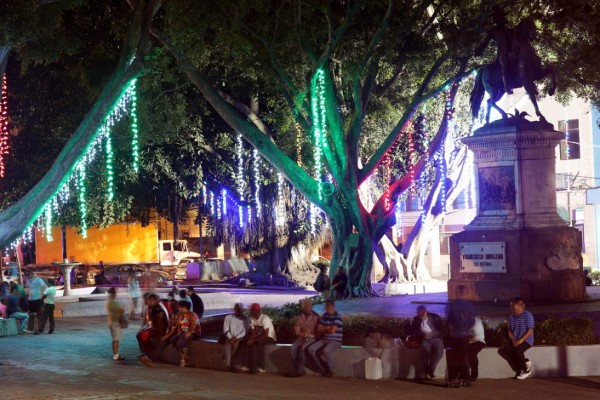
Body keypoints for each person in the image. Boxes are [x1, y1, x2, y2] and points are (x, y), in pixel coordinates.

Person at [475, 6, 514, 94]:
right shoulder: (493, 31)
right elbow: (485, 42)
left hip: (512, 52)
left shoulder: (509, 30)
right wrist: (479, 49)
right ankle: (506, 85)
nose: (501, 19)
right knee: (505, 64)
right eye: (498, 18)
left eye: (501, 17)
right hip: (502, 53)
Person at [234, 303, 276, 374]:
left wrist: (254, 340)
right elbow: (253, 333)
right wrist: (251, 339)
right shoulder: (252, 319)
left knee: (259, 342)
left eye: (252, 310)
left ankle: (262, 367)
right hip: (259, 337)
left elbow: (266, 334)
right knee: (244, 342)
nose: (251, 312)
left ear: (257, 311)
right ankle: (244, 365)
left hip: (269, 337)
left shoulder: (264, 318)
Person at [498, 297, 534, 379]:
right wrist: (513, 339)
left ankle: (526, 370)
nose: (514, 309)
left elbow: (530, 331)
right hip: (515, 339)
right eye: (513, 307)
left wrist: (520, 341)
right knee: (502, 351)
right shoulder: (511, 317)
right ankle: (522, 366)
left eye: (516, 307)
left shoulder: (527, 315)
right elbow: (510, 331)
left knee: (517, 350)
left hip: (527, 340)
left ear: (522, 307)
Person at [308, 300, 343, 377]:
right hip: (325, 339)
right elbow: (318, 329)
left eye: (328, 307)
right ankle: (324, 368)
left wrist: (325, 328)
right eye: (326, 307)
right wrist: (327, 328)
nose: (326, 309)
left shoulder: (337, 317)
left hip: (336, 340)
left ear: (332, 307)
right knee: (311, 349)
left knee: (326, 350)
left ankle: (333, 371)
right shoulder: (325, 316)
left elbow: (332, 331)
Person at [446, 299, 476, 387]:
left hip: (454, 335)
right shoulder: (468, 306)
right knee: (464, 358)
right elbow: (472, 321)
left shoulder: (452, 306)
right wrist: (466, 328)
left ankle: (452, 378)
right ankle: (464, 379)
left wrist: (452, 331)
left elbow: (449, 321)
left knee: (453, 358)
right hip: (464, 335)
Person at [410, 305, 444, 379]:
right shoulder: (416, 319)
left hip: (436, 338)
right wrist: (421, 334)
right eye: (419, 314)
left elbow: (441, 328)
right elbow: (413, 331)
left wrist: (433, 333)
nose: (421, 316)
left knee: (439, 351)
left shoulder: (434, 317)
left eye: (422, 313)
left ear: (426, 312)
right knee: (423, 352)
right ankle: (429, 372)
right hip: (424, 339)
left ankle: (430, 370)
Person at [137, 293, 169, 367]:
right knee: (139, 335)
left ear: (155, 300)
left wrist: (161, 335)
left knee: (143, 335)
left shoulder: (157, 309)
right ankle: (145, 353)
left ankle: (148, 355)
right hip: (154, 327)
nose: (148, 301)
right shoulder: (154, 307)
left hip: (158, 328)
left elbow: (160, 323)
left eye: (150, 300)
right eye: (148, 300)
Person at [164, 301, 198, 367]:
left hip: (192, 332)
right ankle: (184, 355)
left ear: (186, 307)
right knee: (172, 340)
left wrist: (189, 332)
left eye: (181, 308)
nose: (179, 309)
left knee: (179, 344)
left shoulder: (192, 314)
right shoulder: (180, 314)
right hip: (183, 331)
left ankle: (182, 360)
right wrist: (179, 332)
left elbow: (193, 325)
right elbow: (178, 325)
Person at [290, 300, 319, 377]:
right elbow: (297, 331)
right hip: (302, 337)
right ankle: (295, 368)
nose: (308, 308)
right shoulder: (299, 317)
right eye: (306, 307)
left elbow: (317, 332)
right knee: (293, 348)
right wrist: (303, 333)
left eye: (309, 307)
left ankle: (300, 370)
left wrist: (306, 332)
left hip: (312, 338)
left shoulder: (316, 317)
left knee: (303, 348)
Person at [222, 303, 248, 370]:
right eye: (236, 309)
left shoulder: (245, 319)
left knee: (236, 345)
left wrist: (236, 338)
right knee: (227, 344)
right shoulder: (228, 317)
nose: (237, 311)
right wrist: (231, 338)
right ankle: (228, 364)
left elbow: (245, 331)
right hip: (230, 337)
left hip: (239, 337)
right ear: (234, 309)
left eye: (239, 309)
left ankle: (231, 362)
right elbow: (226, 329)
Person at [106, 287, 126, 361]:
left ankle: (116, 354)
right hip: (115, 322)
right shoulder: (113, 303)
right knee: (116, 339)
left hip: (111, 321)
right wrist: (123, 308)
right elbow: (121, 311)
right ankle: (116, 355)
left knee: (115, 339)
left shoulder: (108, 302)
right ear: (113, 294)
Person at [468, 316, 486, 382]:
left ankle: (474, 375)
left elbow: (477, 337)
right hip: (470, 342)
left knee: (471, 354)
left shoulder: (476, 322)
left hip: (479, 341)